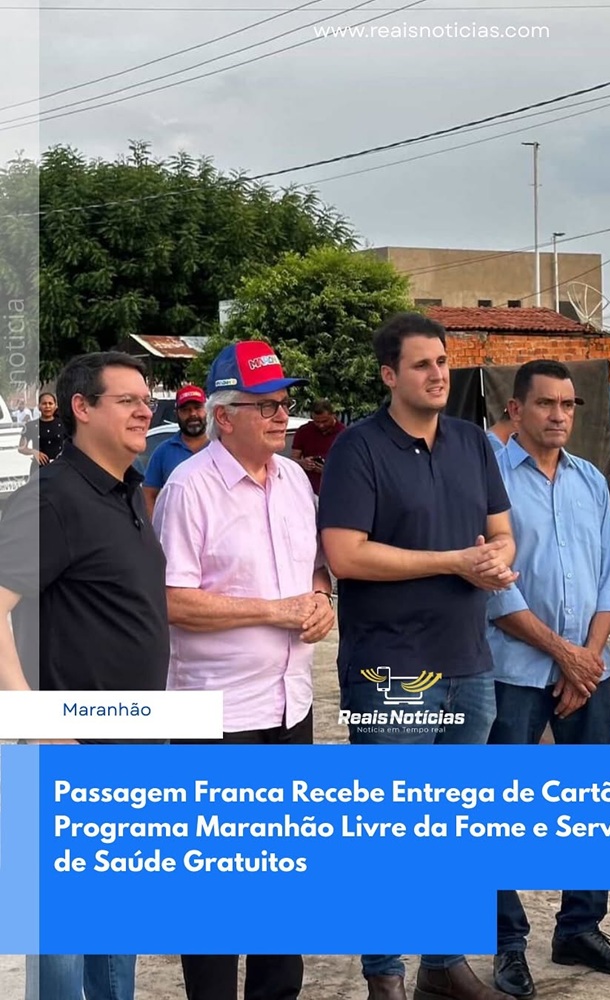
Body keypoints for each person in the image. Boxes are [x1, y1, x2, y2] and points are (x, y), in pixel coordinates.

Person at [319, 311, 517, 1000]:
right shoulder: (358, 448)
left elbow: (502, 531)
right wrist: (454, 561)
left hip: (469, 661)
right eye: (422, 364)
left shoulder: (471, 441)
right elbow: (346, 555)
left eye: (443, 361)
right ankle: (385, 975)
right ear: (389, 375)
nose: (438, 374)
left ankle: (442, 963)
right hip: (392, 668)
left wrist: (494, 560)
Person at [153, 340, 335, 1000]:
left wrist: (321, 598)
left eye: (284, 403)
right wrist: (275, 611)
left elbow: (314, 568)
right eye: (267, 406)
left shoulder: (294, 483)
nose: (282, 416)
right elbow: (170, 601)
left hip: (290, 706)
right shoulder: (188, 489)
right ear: (224, 417)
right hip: (217, 716)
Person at [0, 351, 169, 1000]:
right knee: (64, 946)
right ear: (81, 408)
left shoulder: (128, 492)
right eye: (127, 400)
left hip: (132, 743)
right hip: (70, 749)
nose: (144, 410)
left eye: (145, 399)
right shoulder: (53, 499)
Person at [486, 361, 610, 998]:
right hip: (514, 670)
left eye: (568, 404)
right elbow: (496, 589)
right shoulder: (490, 479)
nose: (559, 415)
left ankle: (580, 928)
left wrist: (588, 658)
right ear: (516, 409)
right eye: (545, 403)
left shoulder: (590, 480)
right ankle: (508, 943)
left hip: (586, 670)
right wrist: (564, 655)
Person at [142, 383, 209, 519]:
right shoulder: (163, 452)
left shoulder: (224, 447)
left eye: (197, 408)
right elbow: (148, 494)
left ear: (208, 410)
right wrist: (155, 529)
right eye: (185, 410)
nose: (193, 414)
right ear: (176, 413)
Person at [291, 397, 345, 495]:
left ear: (333, 415)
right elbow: (293, 460)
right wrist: (302, 463)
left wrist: (329, 470)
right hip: (308, 490)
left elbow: (351, 467)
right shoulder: (304, 431)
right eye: (316, 421)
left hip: (336, 490)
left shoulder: (344, 434)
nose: (321, 425)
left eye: (325, 421)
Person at [18, 390, 66, 475]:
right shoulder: (31, 426)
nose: (47, 406)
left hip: (60, 467)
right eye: (44, 404)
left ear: (55, 406)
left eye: (50, 403)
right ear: (39, 406)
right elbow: (21, 448)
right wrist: (34, 452)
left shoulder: (63, 424)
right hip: (39, 468)